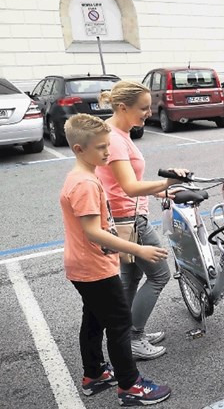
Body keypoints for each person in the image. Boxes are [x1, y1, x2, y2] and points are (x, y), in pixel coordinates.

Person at [60, 114, 171, 405]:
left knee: (94, 320)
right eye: (101, 148)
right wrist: (138, 249)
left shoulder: (85, 176)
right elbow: (93, 232)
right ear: (79, 149)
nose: (108, 153)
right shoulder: (85, 183)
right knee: (120, 325)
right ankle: (130, 386)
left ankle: (94, 374)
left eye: (108, 146)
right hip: (93, 267)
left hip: (87, 266)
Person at [95, 80, 188, 360]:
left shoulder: (119, 133)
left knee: (132, 277)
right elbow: (129, 187)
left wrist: (162, 191)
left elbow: (123, 184)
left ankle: (124, 335)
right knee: (159, 275)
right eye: (143, 108)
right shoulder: (114, 138)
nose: (149, 113)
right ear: (123, 107)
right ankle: (133, 337)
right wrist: (165, 183)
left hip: (127, 214)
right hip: (128, 217)